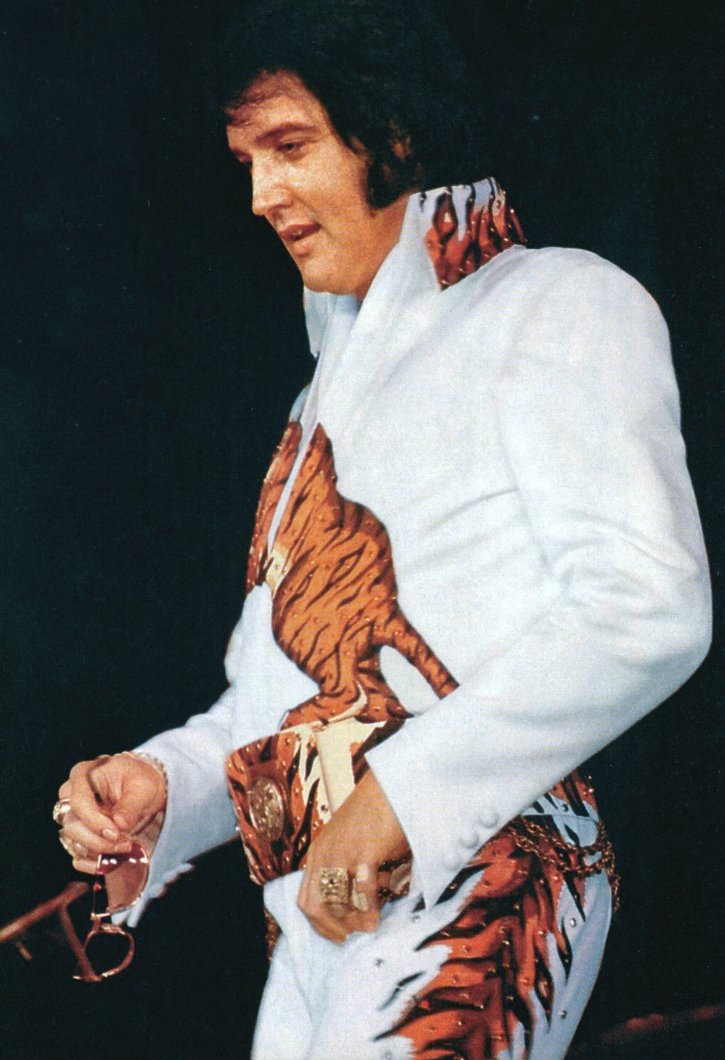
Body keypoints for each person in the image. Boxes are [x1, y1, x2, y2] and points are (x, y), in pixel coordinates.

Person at [54, 2, 711, 1056]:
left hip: (483, 880)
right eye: (247, 163)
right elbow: (278, 700)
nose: (262, 196)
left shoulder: (557, 301)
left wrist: (407, 792)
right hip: (318, 916)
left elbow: (645, 604)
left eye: (290, 147)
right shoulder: (319, 402)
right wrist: (164, 790)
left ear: (392, 134)